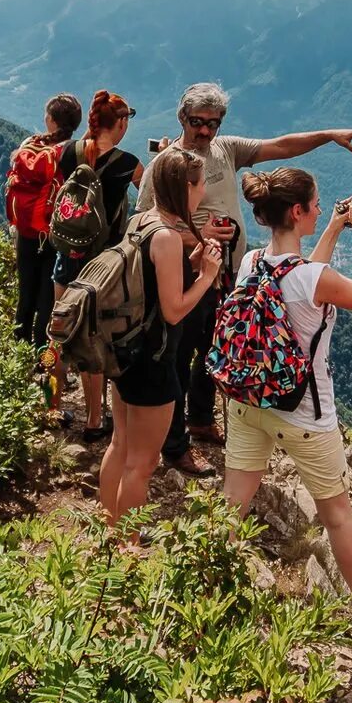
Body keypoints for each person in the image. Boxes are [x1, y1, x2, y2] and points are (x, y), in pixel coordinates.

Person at [138, 81, 352, 478]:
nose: (206, 131)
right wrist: (200, 236)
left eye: (213, 123)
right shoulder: (167, 166)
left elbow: (279, 146)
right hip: (182, 273)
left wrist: (328, 136)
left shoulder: (225, 149)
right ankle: (174, 444)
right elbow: (142, 224)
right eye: (198, 122)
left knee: (215, 350)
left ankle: (199, 419)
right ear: (182, 118)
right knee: (179, 358)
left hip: (229, 276)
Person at [220, 169, 352, 646]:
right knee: (337, 513)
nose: (320, 209)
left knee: (233, 501)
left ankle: (207, 585)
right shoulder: (315, 280)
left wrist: (335, 228)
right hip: (304, 415)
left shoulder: (252, 263)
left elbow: (296, 279)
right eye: (315, 205)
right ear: (296, 213)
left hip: (248, 400)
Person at [98, 146, 223, 537]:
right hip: (153, 359)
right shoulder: (168, 235)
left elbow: (148, 282)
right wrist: (208, 275)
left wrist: (192, 263)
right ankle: (127, 545)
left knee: (119, 446)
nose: (203, 191)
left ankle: (108, 528)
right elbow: (172, 311)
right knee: (143, 462)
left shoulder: (143, 221)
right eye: (201, 184)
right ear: (185, 187)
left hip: (125, 349)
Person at [50, 90, 144, 440]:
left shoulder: (67, 152)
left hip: (66, 256)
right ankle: (93, 421)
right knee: (93, 339)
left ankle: (52, 407)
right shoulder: (128, 163)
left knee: (57, 334)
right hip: (101, 267)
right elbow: (150, 199)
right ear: (120, 123)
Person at [7, 93, 81, 348]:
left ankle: (18, 353)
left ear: (50, 120)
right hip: (54, 235)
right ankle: (43, 357)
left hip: (27, 231)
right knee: (47, 300)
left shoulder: (30, 144)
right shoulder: (71, 151)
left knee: (25, 294)